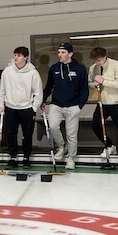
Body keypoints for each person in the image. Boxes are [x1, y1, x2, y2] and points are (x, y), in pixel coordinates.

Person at [41, 42, 89, 170]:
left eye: (63, 52)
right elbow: (49, 86)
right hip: (56, 104)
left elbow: (84, 90)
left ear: (70, 54)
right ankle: (61, 147)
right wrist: (43, 100)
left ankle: (71, 158)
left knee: (71, 134)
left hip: (73, 106)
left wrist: (79, 106)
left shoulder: (80, 69)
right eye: (58, 52)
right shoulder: (54, 68)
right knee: (53, 126)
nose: (60, 55)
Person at [88, 47, 118, 172]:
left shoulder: (116, 65)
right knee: (95, 125)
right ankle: (110, 146)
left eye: (99, 60)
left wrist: (104, 81)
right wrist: (94, 84)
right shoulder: (93, 68)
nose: (97, 63)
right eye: (95, 60)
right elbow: (90, 82)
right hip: (102, 103)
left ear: (105, 57)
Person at [0, 46, 43, 168]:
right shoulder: (7, 72)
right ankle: (13, 157)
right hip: (10, 107)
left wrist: (33, 108)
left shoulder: (33, 73)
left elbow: (38, 93)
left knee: (27, 135)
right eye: (15, 55)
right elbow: (2, 90)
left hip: (27, 108)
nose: (16, 58)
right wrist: (2, 104)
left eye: (19, 55)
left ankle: (26, 157)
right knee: (10, 134)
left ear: (26, 57)